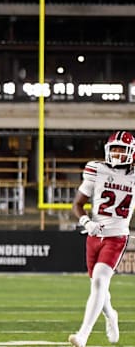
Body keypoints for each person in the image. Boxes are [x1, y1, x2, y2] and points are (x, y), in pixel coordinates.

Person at [68, 131, 135, 347]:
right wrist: (87, 223)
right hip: (94, 234)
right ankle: (111, 315)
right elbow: (77, 204)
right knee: (97, 286)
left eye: (121, 149)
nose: (116, 153)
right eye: (113, 148)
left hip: (116, 236)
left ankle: (83, 336)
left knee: (99, 280)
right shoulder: (96, 169)